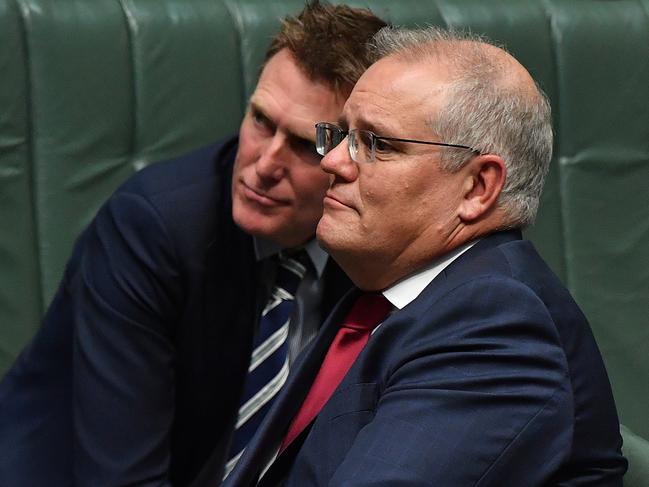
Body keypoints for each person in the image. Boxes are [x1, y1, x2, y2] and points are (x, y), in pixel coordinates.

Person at [0, 2, 387, 486]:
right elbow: (123, 478)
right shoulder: (151, 228)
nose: (265, 164)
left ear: (355, 160)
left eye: (306, 145)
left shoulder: (374, 243)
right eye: (262, 121)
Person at [223, 27, 628, 486]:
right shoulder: (389, 282)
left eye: (376, 144)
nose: (332, 162)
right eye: (339, 135)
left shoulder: (498, 327)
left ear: (477, 188)